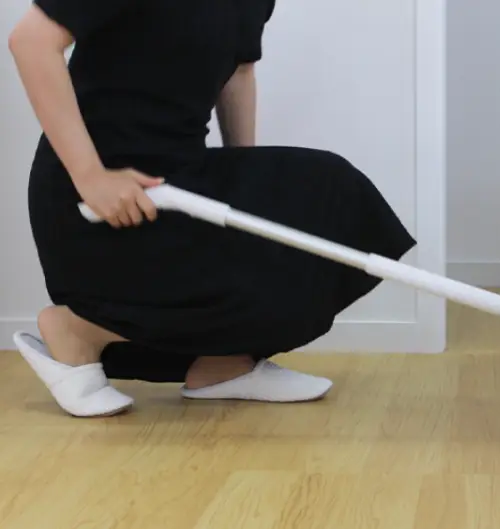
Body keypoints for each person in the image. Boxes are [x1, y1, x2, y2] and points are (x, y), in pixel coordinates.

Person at [7, 0, 416, 417]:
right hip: (99, 200)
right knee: (293, 220)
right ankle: (79, 331)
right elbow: (31, 42)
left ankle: (224, 364)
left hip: (181, 181)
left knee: (330, 192)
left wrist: (251, 194)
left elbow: (239, 73)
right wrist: (91, 176)